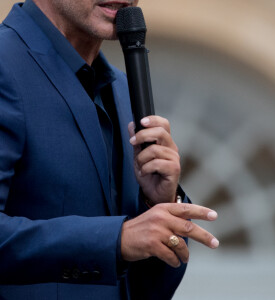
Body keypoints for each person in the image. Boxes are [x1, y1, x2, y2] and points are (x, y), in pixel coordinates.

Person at [0, 0, 219, 299]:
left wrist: (155, 204)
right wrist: (116, 240)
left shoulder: (122, 88)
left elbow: (144, 290)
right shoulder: (4, 65)